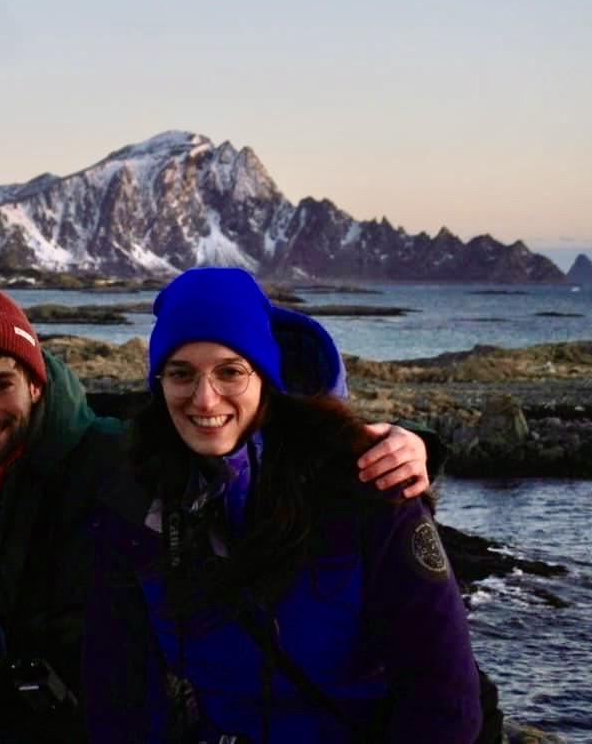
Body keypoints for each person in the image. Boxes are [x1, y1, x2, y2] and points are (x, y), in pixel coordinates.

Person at [0, 283, 433, 743]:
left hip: (124, 709)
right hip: (29, 714)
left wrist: (407, 446)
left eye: (1, 384)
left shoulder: (118, 460)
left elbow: (226, 438)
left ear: (35, 383)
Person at [82, 267, 482, 742]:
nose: (204, 399)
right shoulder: (135, 505)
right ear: (159, 383)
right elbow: (119, 694)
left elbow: (442, 694)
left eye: (230, 371)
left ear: (266, 378)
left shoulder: (365, 489)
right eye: (180, 373)